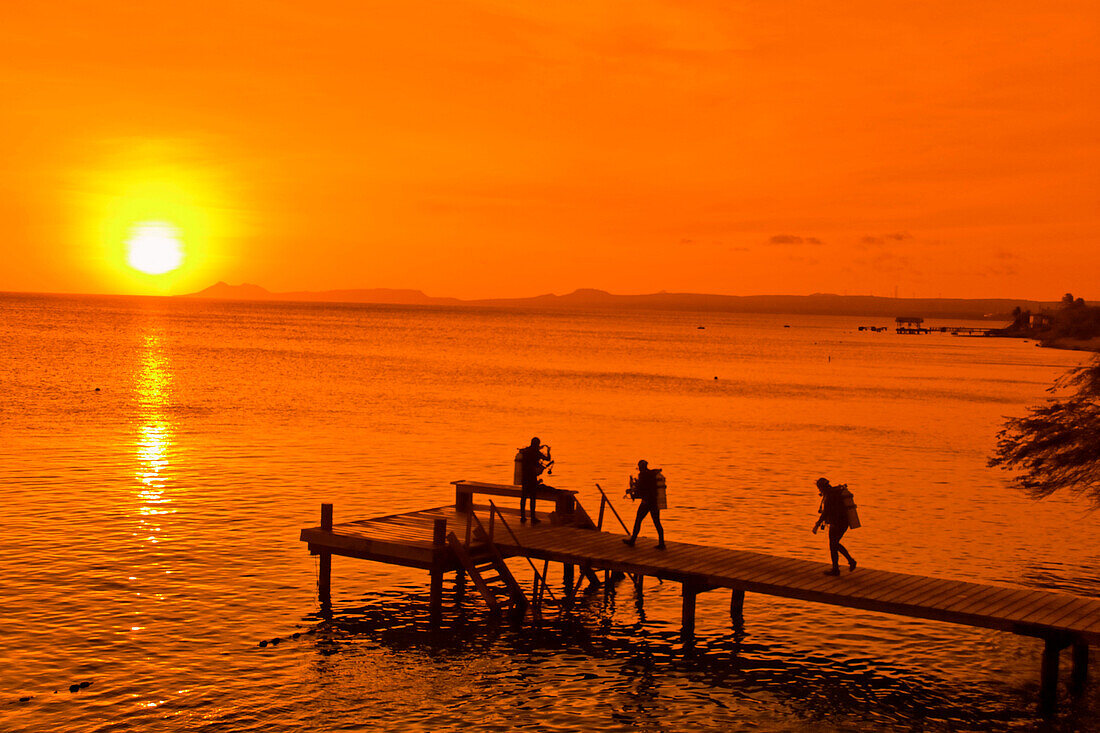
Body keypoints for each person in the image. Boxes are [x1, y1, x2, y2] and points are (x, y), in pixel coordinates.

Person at [813, 477, 856, 575]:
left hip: (837, 523)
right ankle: (846, 563)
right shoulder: (834, 493)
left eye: (819, 487)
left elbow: (825, 512)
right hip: (843, 522)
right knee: (834, 544)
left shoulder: (830, 496)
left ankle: (838, 568)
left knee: (833, 544)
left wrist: (817, 525)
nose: (819, 490)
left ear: (822, 487)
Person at [623, 460, 665, 550]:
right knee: (657, 522)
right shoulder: (652, 474)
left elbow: (640, 490)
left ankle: (632, 541)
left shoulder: (643, 476)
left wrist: (631, 492)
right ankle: (662, 543)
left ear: (641, 467)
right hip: (654, 502)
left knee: (638, 520)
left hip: (646, 503)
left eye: (639, 467)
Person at [518, 437, 551, 524]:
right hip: (532, 478)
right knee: (532, 498)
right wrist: (548, 450)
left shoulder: (526, 451)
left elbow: (528, 451)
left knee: (524, 497)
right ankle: (533, 518)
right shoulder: (536, 452)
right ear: (537, 444)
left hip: (524, 477)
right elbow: (547, 459)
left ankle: (523, 517)